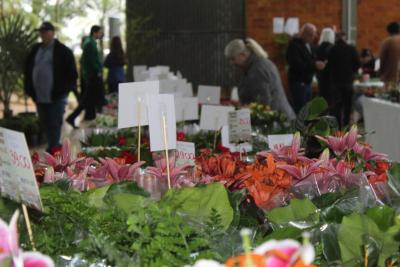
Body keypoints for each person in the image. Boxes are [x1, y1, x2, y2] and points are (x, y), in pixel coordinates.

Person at [24, 22, 78, 153]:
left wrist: (64, 90)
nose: (42, 34)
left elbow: (72, 74)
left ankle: (54, 148)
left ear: (52, 33)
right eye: (41, 32)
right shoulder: (36, 49)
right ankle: (52, 146)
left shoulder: (63, 51)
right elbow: (27, 69)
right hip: (39, 95)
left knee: (55, 123)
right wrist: (28, 89)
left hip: (56, 96)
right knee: (45, 123)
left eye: (45, 31)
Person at [224, 38, 295, 120]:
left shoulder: (257, 70)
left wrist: (240, 109)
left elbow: (262, 104)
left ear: (242, 55)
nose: (231, 63)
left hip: (278, 122)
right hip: (279, 117)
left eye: (233, 59)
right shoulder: (257, 64)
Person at [67, 25, 105, 127]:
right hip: (93, 76)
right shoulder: (89, 44)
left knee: (88, 99)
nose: (101, 34)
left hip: (92, 76)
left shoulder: (90, 43)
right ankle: (72, 117)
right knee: (88, 99)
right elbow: (92, 61)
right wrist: (97, 71)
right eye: (100, 32)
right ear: (95, 32)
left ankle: (72, 117)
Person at [286, 23, 325, 113]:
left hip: (307, 82)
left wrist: (318, 65)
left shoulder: (308, 45)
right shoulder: (294, 46)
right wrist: (314, 65)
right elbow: (297, 65)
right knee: (301, 110)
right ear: (303, 33)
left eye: (313, 34)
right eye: (310, 34)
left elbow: (311, 60)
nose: (312, 37)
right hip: (299, 82)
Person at [327, 32, 360, 128]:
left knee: (337, 106)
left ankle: (337, 127)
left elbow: (327, 66)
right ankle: (346, 126)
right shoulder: (351, 49)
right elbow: (357, 64)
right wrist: (352, 72)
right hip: (348, 82)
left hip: (335, 83)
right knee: (348, 106)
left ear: (336, 39)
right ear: (345, 38)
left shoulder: (331, 49)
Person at [316, 27, 335, 103]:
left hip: (320, 76)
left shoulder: (318, 48)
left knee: (322, 96)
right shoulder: (333, 48)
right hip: (331, 77)